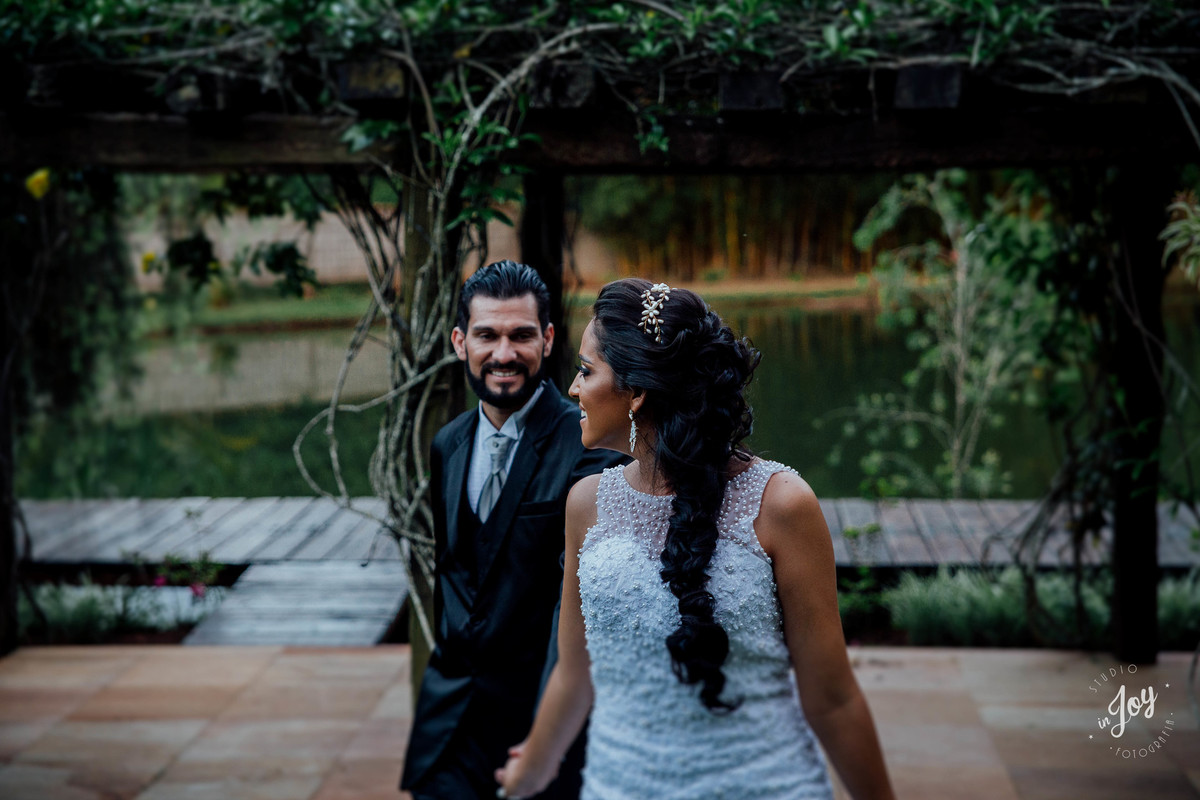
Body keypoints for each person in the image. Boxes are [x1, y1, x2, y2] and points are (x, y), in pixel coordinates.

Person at [495, 278, 896, 800]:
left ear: (636, 392)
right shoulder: (586, 504)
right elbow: (575, 676)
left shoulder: (781, 505)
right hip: (620, 786)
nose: (572, 388)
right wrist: (527, 776)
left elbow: (833, 700)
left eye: (586, 371)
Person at [401, 261, 626, 800]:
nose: (504, 354)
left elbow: (585, 606)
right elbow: (454, 576)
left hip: (540, 725)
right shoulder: (447, 444)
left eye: (521, 335)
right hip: (450, 725)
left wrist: (552, 732)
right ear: (461, 342)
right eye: (487, 335)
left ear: (547, 340)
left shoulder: (590, 448)